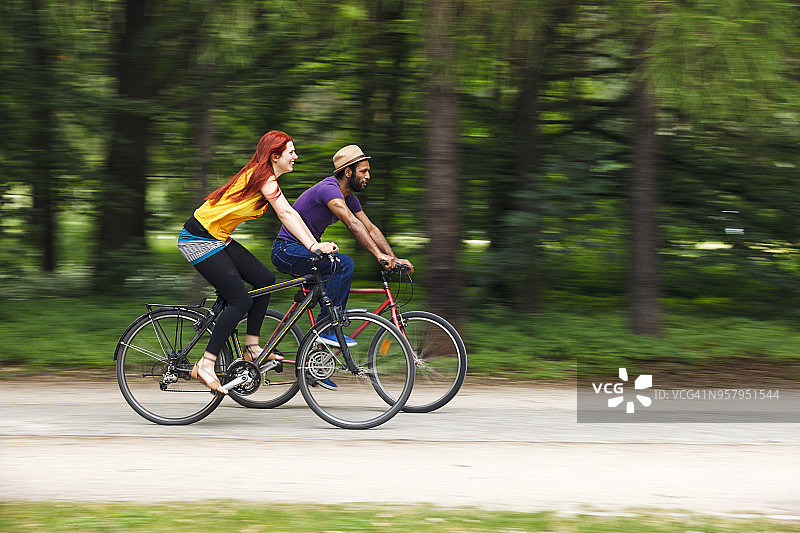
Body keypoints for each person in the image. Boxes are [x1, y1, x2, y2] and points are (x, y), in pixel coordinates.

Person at [177, 131, 338, 394]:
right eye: (291, 152)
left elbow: (292, 214)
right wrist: (312, 246)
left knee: (265, 281)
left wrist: (315, 245)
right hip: (198, 238)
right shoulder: (261, 176)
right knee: (240, 300)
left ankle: (252, 348)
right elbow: (286, 213)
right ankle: (206, 364)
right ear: (275, 155)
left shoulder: (264, 177)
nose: (296, 156)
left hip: (218, 238)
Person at [271, 144, 413, 371]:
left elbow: (371, 227)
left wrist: (393, 258)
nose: (368, 175)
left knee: (331, 285)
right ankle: (327, 330)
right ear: (348, 172)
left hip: (308, 253)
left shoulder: (349, 198)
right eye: (363, 171)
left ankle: (315, 365)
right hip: (287, 251)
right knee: (343, 264)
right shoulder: (329, 189)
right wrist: (378, 255)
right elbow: (353, 224)